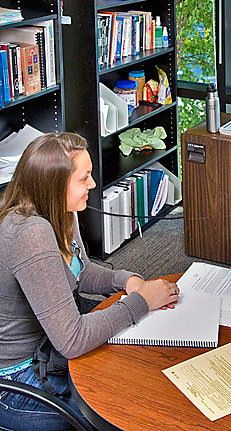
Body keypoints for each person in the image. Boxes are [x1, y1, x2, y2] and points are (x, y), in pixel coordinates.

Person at [0, 132, 179, 431]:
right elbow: (72, 340)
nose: (93, 185)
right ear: (55, 185)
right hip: (19, 381)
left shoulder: (60, 211)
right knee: (125, 414)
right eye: (84, 178)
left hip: (50, 351)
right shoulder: (29, 234)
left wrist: (126, 280)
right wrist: (142, 302)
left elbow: (78, 272)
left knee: (139, 373)